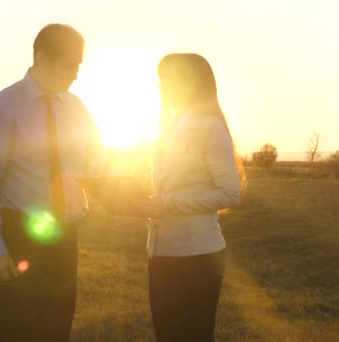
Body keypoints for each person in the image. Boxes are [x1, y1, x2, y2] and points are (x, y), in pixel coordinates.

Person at [0, 23, 102, 341]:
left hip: (66, 235)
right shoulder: (2, 108)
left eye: (79, 65)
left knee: (58, 328)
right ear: (41, 59)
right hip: (21, 234)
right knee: (20, 330)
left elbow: (94, 163)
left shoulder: (77, 108)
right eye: (69, 65)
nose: (75, 74)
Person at [134, 53, 245, 341]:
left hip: (198, 256)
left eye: (168, 79)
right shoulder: (166, 125)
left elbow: (230, 193)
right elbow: (171, 188)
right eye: (160, 80)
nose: (161, 86)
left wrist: (168, 203)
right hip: (160, 252)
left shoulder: (209, 126)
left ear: (190, 82)